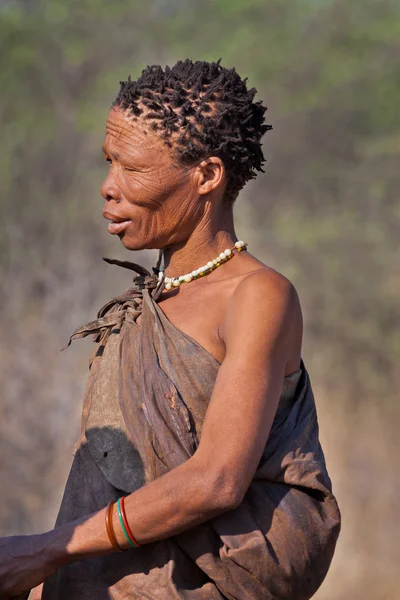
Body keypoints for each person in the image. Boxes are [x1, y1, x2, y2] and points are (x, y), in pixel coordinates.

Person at [0, 59, 340, 600]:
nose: (109, 187)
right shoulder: (142, 308)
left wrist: (47, 549)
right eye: (108, 163)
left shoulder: (257, 296)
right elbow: (99, 484)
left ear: (206, 175)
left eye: (132, 169)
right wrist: (49, 579)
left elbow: (216, 482)